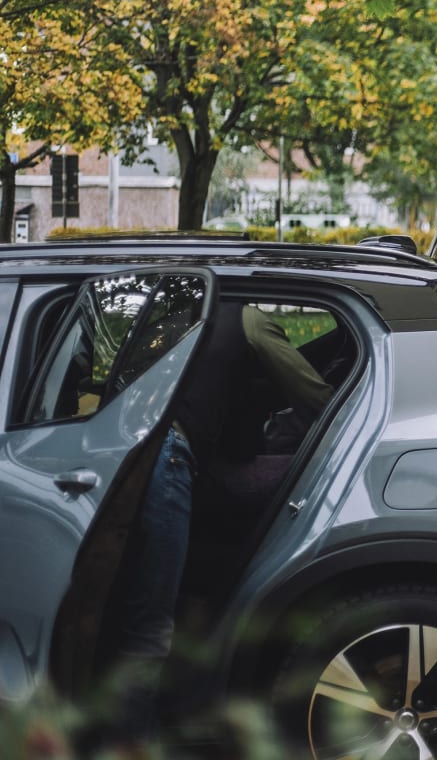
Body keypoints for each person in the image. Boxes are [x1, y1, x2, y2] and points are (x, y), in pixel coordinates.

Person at [104, 300, 334, 745]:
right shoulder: (245, 317)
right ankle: (133, 743)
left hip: (125, 452)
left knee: (127, 606)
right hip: (166, 455)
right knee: (149, 624)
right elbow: (315, 396)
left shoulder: (166, 317)